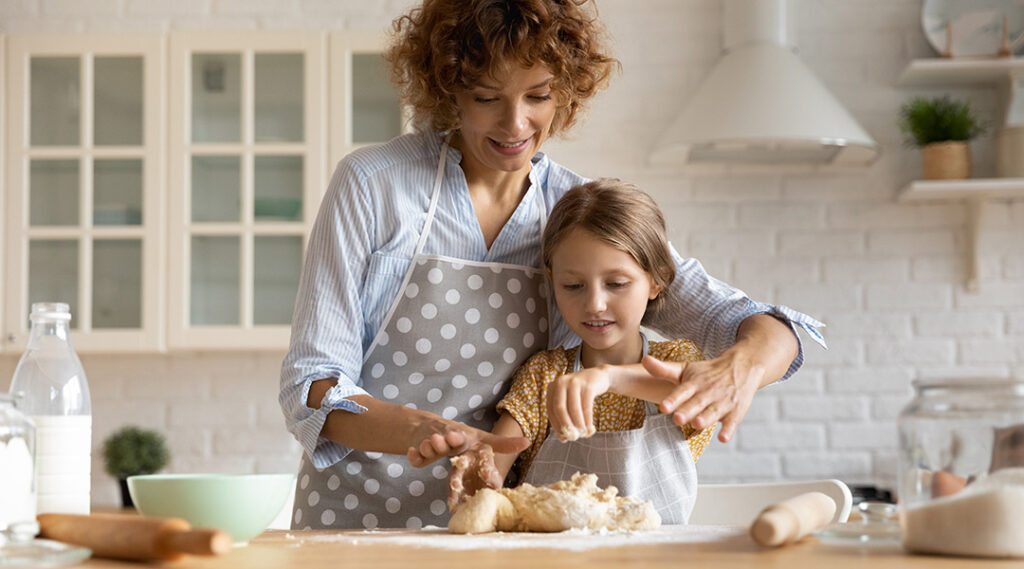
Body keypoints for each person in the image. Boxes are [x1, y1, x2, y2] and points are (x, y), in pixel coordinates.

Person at [279, 0, 825, 530]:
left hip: (504, 526)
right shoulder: (375, 186)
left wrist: (739, 368)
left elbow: (763, 325)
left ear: (565, 90)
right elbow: (312, 384)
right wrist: (428, 431)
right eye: (487, 96)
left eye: (537, 95)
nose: (516, 123)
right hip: (352, 514)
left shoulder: (577, 214)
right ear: (448, 90)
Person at [416, 179, 717, 524]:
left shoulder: (678, 362)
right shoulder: (545, 375)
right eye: (573, 285)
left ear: (657, 280)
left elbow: (698, 391)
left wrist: (607, 378)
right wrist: (479, 475)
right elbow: (495, 462)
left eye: (616, 284)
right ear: (551, 279)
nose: (594, 304)